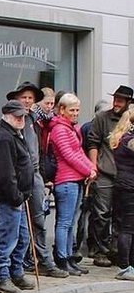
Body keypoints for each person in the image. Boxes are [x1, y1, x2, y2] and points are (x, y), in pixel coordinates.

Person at [9, 81, 65, 278]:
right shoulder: (11, 122)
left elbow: (38, 151)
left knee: (39, 220)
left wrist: (42, 174)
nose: (27, 101)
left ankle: (43, 260)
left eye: (30, 98)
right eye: (23, 97)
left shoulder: (33, 120)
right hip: (20, 176)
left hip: (36, 175)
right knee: (19, 223)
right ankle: (16, 264)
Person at [0, 100, 38, 293]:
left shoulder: (16, 134)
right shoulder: (4, 138)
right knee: (7, 238)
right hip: (9, 198)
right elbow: (5, 172)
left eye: (23, 117)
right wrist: (16, 195)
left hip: (20, 197)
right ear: (7, 116)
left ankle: (15, 272)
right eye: (17, 117)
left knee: (22, 238)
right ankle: (1, 276)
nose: (21, 120)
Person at [83, 85, 131, 267]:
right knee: (101, 213)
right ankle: (101, 250)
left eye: (120, 100)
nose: (116, 103)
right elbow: (92, 142)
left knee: (121, 215)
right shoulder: (102, 118)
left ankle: (117, 250)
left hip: (125, 174)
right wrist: (93, 167)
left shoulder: (130, 121)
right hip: (105, 171)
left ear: (128, 102)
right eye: (115, 99)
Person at [49, 93, 92, 274]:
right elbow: (69, 155)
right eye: (72, 110)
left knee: (71, 222)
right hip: (66, 180)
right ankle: (62, 258)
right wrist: (89, 170)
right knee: (65, 222)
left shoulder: (70, 129)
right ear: (62, 110)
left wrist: (91, 168)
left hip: (76, 179)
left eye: (77, 110)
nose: (75, 113)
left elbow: (80, 153)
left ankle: (69, 256)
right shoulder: (59, 129)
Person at [107, 108, 134, 280]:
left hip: (124, 185)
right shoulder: (130, 141)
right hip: (130, 187)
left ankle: (128, 264)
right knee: (128, 228)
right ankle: (125, 266)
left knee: (128, 227)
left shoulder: (121, 138)